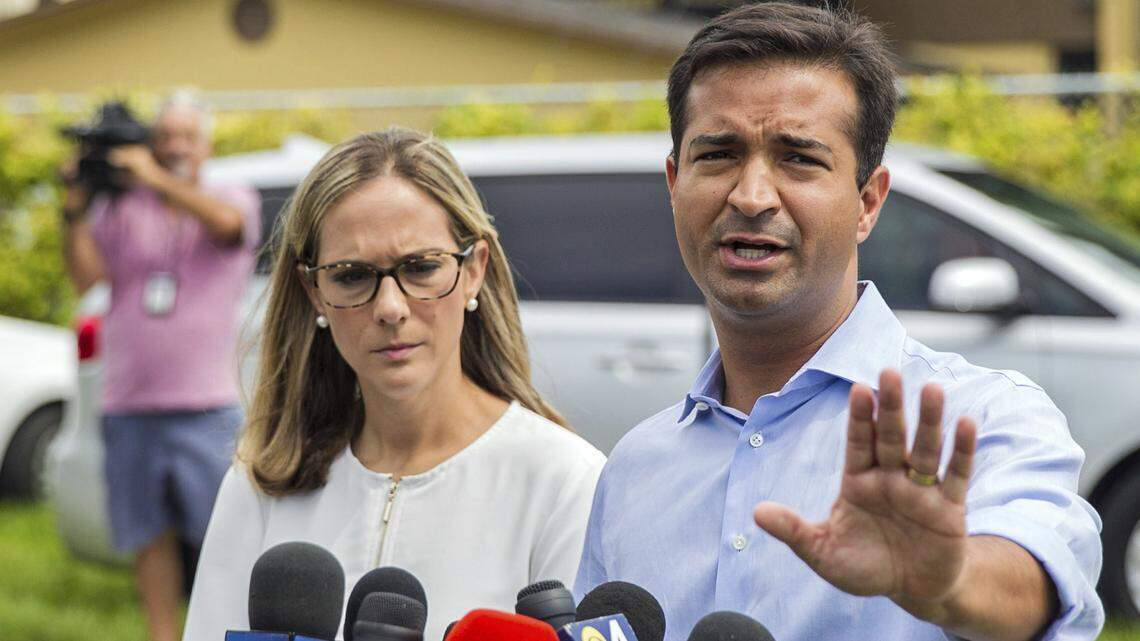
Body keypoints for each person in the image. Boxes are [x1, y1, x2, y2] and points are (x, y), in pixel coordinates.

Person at [574, 4, 1104, 641]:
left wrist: (948, 579)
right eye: (717, 154)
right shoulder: (637, 468)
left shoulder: (982, 418)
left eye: (799, 158)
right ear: (674, 182)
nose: (751, 196)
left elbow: (1033, 585)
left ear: (867, 202)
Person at [182, 127, 606, 641]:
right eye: (351, 275)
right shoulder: (262, 485)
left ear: (474, 270)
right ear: (313, 291)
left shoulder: (563, 483)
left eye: (422, 267)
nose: (389, 308)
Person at [60, 93, 261, 641]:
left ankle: (223, 630)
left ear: (206, 145)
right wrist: (75, 208)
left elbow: (226, 227)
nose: (173, 146)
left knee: (224, 534)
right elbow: (86, 279)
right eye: (164, 136)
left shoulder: (229, 194)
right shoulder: (123, 208)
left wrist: (153, 176)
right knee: (149, 538)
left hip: (206, 405)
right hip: (129, 403)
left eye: (185, 136)